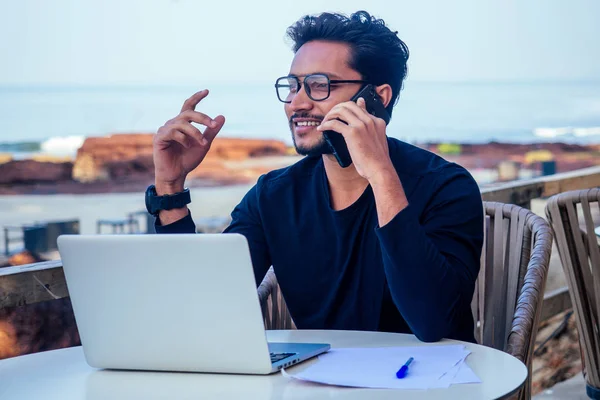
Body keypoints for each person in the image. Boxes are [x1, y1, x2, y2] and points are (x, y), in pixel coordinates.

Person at [146, 11, 484, 343]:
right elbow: (203, 302)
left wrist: (381, 175)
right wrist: (171, 189)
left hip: (430, 385)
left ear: (377, 98)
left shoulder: (446, 187)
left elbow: (433, 321)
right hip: (319, 383)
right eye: (292, 86)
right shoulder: (274, 196)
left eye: (319, 86)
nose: (297, 103)